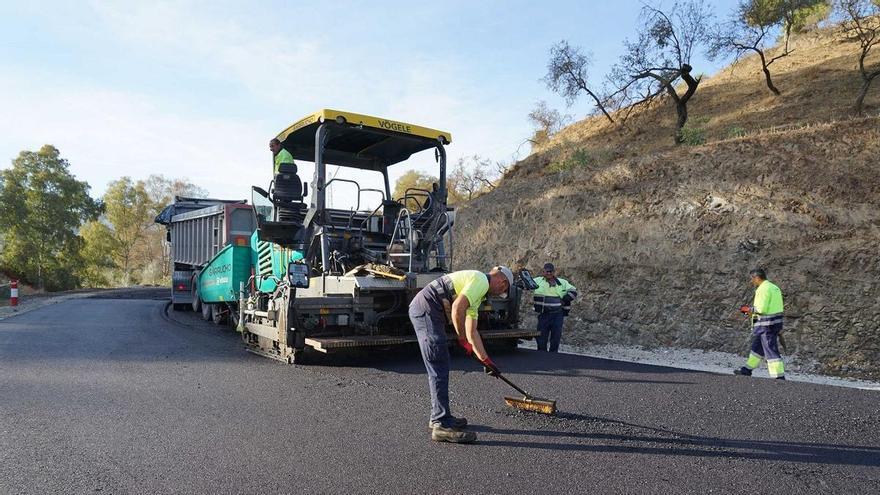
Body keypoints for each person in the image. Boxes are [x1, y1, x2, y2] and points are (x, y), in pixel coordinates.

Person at [408, 266, 514, 444]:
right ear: (503, 282)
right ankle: (440, 424)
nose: (498, 294)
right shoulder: (480, 280)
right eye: (502, 291)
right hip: (427, 308)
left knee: (440, 363)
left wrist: (485, 360)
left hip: (430, 310)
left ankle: (441, 416)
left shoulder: (477, 293)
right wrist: (462, 339)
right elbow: (458, 307)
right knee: (439, 363)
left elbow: (472, 331)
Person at [735, 268, 786, 380]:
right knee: (757, 348)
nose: (751, 281)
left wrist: (746, 309)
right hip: (775, 323)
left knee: (770, 349)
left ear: (756, 278)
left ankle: (779, 376)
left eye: (752, 279)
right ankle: (746, 370)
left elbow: (761, 309)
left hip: (766, 325)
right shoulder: (774, 287)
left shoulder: (762, 289)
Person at [532, 262, 578, 352]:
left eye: (551, 271)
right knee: (541, 337)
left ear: (554, 272)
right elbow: (526, 284)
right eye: (547, 271)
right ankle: (541, 356)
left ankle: (553, 357)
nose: (549, 273)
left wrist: (565, 299)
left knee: (556, 337)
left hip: (557, 315)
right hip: (543, 315)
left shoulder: (562, 282)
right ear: (543, 271)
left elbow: (573, 291)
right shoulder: (537, 281)